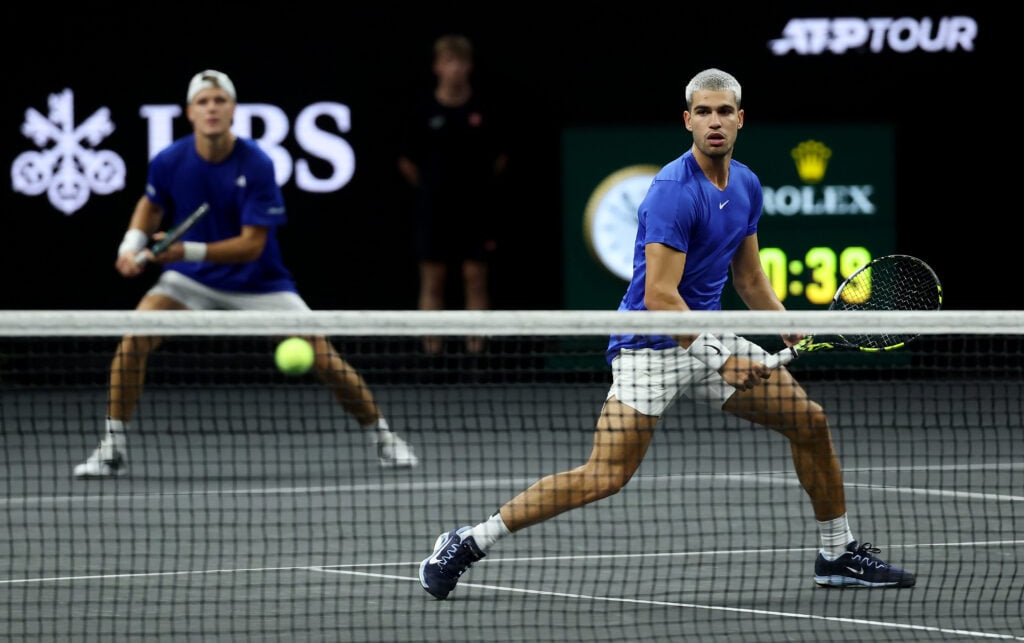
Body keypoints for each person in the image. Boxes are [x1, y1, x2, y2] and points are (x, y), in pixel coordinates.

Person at [418, 68, 915, 597]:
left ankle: (837, 553)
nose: (715, 122)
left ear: (740, 119)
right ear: (688, 121)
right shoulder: (672, 193)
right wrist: (722, 358)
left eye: (724, 111)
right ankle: (469, 540)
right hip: (650, 347)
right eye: (703, 112)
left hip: (705, 337)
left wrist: (783, 322)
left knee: (809, 423)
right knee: (604, 475)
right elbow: (659, 298)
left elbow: (747, 275)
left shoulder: (745, 183)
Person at [73, 69, 418, 478]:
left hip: (260, 282)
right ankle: (111, 447)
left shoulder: (256, 162)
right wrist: (130, 246)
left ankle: (383, 437)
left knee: (323, 357)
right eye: (203, 102)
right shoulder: (169, 160)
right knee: (133, 341)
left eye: (220, 100)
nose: (212, 108)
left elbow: (252, 244)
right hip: (189, 280)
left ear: (233, 110)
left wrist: (185, 249)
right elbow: (150, 206)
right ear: (190, 112)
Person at [397, 34, 509, 354]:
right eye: (449, 62)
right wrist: (432, 188)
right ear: (437, 67)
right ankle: (433, 360)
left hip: (476, 211)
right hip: (433, 211)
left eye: (460, 62)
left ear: (469, 66)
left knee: (476, 280)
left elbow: (500, 157)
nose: (455, 69)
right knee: (433, 282)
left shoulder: (483, 110)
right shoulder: (423, 111)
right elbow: (407, 161)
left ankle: (477, 359)